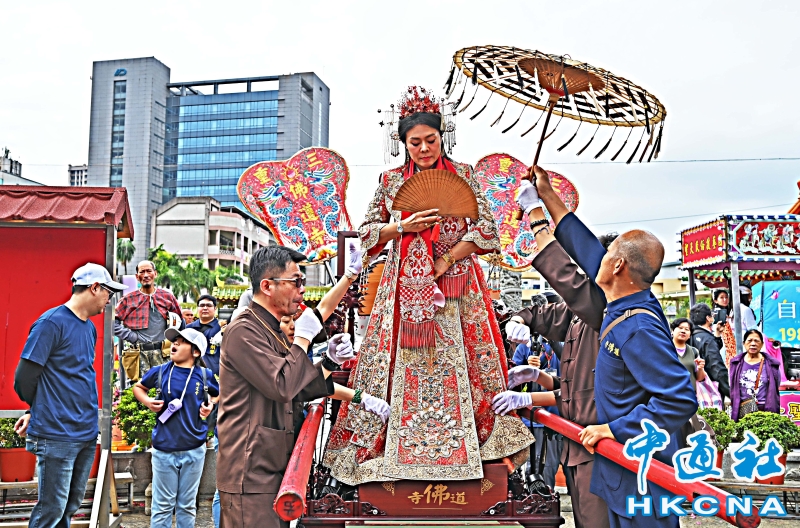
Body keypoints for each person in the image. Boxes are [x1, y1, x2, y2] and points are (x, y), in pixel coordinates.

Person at [323, 86, 533, 485]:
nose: (423, 149)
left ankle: (474, 448)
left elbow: (487, 230)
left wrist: (446, 260)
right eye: (414, 142)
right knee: (396, 360)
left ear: (442, 137)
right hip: (404, 286)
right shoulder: (390, 182)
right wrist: (400, 227)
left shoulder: (464, 175)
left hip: (458, 289)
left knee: (466, 357)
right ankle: (392, 449)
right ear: (403, 143)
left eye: (430, 140)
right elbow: (366, 233)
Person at [505, 167, 697, 528]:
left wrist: (616, 429)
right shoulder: (620, 301)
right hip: (615, 465)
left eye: (607, 253)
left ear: (618, 265)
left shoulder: (636, 325)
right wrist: (545, 196)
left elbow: (680, 398)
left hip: (634, 466)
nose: (596, 258)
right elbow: (584, 248)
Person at [216, 246, 387, 528]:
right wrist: (304, 338)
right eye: (296, 282)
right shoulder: (243, 331)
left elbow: (299, 387)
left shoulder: (271, 330)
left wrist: (329, 361)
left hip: (271, 465)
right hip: (251, 471)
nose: (302, 290)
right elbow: (282, 386)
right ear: (267, 286)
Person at [495, 168, 611, 528]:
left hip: (605, 448)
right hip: (579, 441)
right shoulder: (581, 312)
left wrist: (536, 212)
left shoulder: (607, 309)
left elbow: (566, 277)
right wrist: (520, 320)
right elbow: (545, 314)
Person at [13, 263, 127, 528]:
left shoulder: (89, 327)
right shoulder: (51, 323)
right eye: (108, 292)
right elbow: (24, 378)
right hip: (56, 434)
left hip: (84, 433)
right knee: (51, 511)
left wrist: (33, 410)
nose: (109, 299)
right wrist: (37, 410)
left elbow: (66, 378)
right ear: (94, 287)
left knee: (69, 507)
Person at [134, 327, 219, 528]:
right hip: (164, 449)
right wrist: (148, 402)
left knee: (187, 506)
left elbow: (218, 394)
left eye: (182, 341)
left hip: (194, 449)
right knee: (162, 505)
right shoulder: (161, 371)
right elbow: (139, 387)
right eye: (175, 340)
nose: (175, 344)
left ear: (196, 352)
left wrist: (210, 405)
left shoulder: (204, 375)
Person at [115, 260, 184, 379]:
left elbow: (180, 322)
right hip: (139, 355)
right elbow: (112, 323)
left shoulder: (167, 297)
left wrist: (178, 344)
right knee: (140, 387)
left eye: (149, 271)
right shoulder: (128, 299)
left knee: (165, 385)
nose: (146, 275)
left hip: (164, 353)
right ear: (137, 277)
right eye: (142, 272)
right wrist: (130, 336)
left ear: (155, 274)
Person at [729, 329, 781, 421]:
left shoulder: (771, 364)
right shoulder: (736, 363)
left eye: (756, 341)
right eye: (749, 340)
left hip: (766, 411)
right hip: (744, 410)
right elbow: (732, 387)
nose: (753, 344)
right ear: (744, 343)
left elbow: (776, 385)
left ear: (762, 344)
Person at [689, 303, 730, 400]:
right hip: (709, 391)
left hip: (691, 388)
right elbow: (716, 367)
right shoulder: (707, 339)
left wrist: (717, 335)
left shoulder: (690, 335)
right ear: (708, 318)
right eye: (712, 315)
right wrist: (730, 392)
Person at [187, 294, 222, 376]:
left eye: (209, 305)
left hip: (214, 376)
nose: (205, 308)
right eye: (202, 305)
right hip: (191, 374)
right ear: (197, 308)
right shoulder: (188, 329)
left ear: (215, 308)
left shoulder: (221, 328)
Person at [670, 318, 706, 391]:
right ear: (672, 331)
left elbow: (699, 378)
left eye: (687, 329)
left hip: (690, 394)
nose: (683, 331)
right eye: (680, 328)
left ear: (689, 335)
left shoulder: (694, 351)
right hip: (670, 394)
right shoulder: (665, 349)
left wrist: (700, 368)